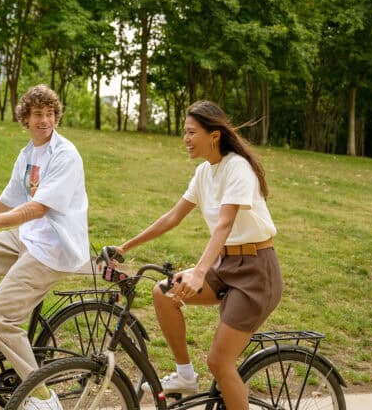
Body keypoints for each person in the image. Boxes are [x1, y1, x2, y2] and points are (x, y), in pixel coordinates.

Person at [114, 100, 283, 410]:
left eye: (192, 132)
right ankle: (185, 376)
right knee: (164, 293)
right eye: (185, 132)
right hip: (227, 263)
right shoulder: (204, 172)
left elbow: (224, 223)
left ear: (214, 135)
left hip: (257, 271)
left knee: (220, 362)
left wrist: (199, 271)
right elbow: (172, 218)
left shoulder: (238, 168)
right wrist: (125, 247)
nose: (186, 139)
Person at [0, 84, 88, 410]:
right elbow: (8, 199)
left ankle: (43, 397)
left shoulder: (64, 155)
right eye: (37, 114)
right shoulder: (28, 154)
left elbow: (38, 208)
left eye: (49, 114)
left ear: (56, 117)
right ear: (24, 119)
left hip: (52, 248)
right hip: (27, 238)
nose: (44, 120)